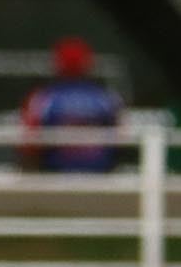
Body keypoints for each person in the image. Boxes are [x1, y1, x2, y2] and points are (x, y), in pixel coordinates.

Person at [21, 37, 125, 172]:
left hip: (54, 176)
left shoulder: (44, 98)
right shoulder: (106, 98)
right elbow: (122, 138)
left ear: (58, 63)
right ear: (88, 63)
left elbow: (28, 145)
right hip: (100, 177)